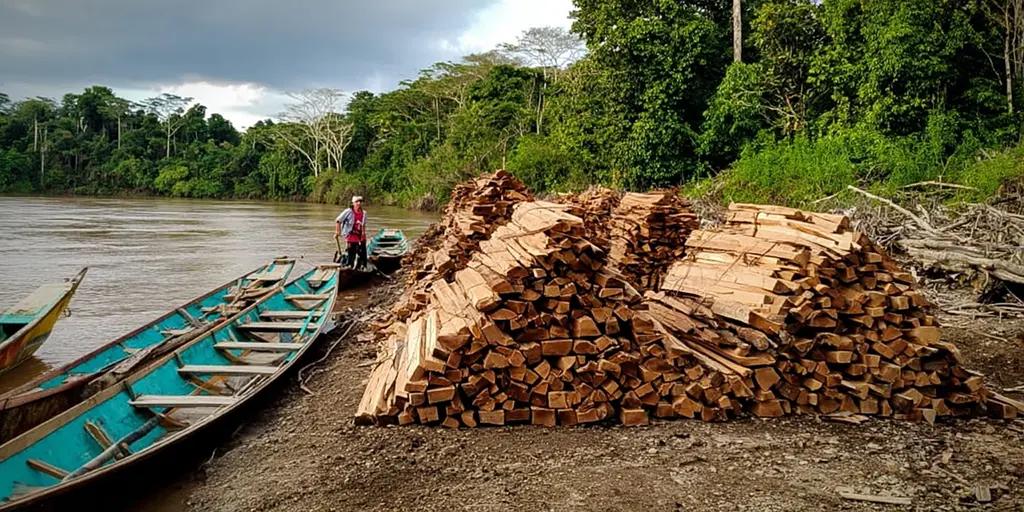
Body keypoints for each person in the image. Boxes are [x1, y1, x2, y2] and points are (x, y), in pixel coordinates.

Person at [335, 195, 368, 269]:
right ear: (353, 203)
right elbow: (338, 221)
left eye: (360, 202)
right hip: (351, 236)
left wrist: (363, 234)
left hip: (360, 235)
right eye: (357, 202)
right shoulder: (348, 211)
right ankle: (350, 266)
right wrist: (338, 232)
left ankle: (362, 267)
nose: (359, 203)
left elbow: (363, 225)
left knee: (363, 254)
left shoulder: (364, 213)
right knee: (351, 255)